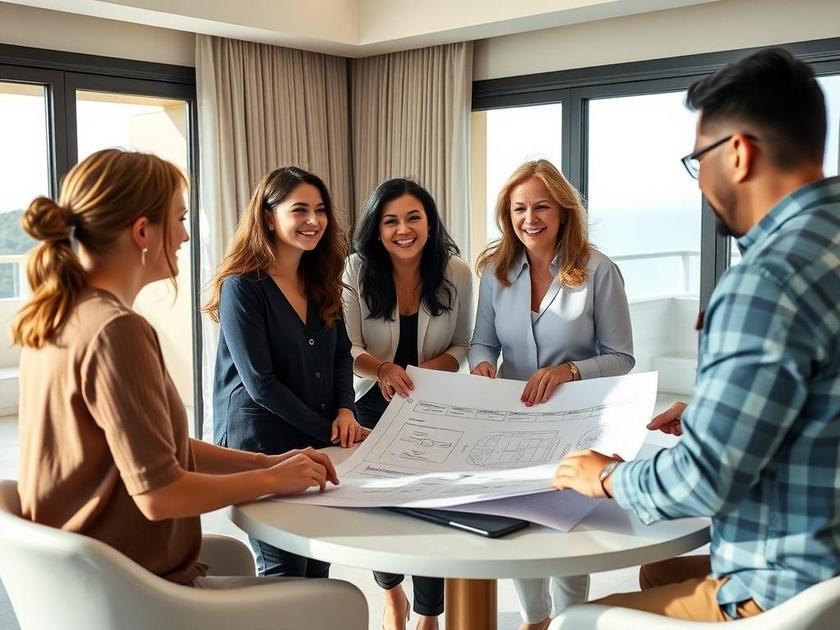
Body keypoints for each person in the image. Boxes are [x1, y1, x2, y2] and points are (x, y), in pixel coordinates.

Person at [552, 47, 839, 623]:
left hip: (788, 585)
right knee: (660, 571)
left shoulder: (765, 279)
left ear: (737, 154)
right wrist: (716, 411)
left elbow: (705, 480)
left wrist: (604, 476)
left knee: (577, 622)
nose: (699, 180)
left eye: (697, 159)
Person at [14, 149, 338, 590]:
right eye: (180, 218)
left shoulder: (56, 314)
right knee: (333, 598)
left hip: (87, 579)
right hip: (137, 587)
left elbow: (154, 445)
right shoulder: (117, 330)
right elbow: (159, 495)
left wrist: (265, 462)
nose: (185, 236)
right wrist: (268, 479)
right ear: (143, 231)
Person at [469, 159, 634, 630]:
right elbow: (484, 340)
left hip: (577, 423)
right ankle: (533, 620)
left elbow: (622, 357)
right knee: (519, 519)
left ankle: (570, 620)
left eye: (541, 206)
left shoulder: (599, 270)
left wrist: (569, 371)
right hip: (514, 417)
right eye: (519, 208)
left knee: (566, 528)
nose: (529, 218)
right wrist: (480, 363)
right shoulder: (494, 271)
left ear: (563, 211)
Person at [205, 166, 365, 579]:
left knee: (318, 558)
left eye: (320, 210)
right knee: (284, 567)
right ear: (268, 217)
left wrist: (346, 410)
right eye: (300, 210)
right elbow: (261, 384)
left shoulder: (322, 280)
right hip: (262, 442)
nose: (314, 221)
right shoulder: (243, 287)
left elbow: (341, 355)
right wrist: (327, 429)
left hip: (316, 439)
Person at [342, 178, 474, 630]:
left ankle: (429, 614)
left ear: (430, 223)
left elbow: (462, 346)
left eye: (413, 217)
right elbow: (349, 346)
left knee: (432, 507)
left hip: (432, 402)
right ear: (377, 229)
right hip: (372, 403)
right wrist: (381, 370)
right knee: (384, 504)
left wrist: (421, 376)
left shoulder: (457, 272)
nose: (403, 229)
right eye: (390, 220)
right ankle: (391, 591)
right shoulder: (356, 270)